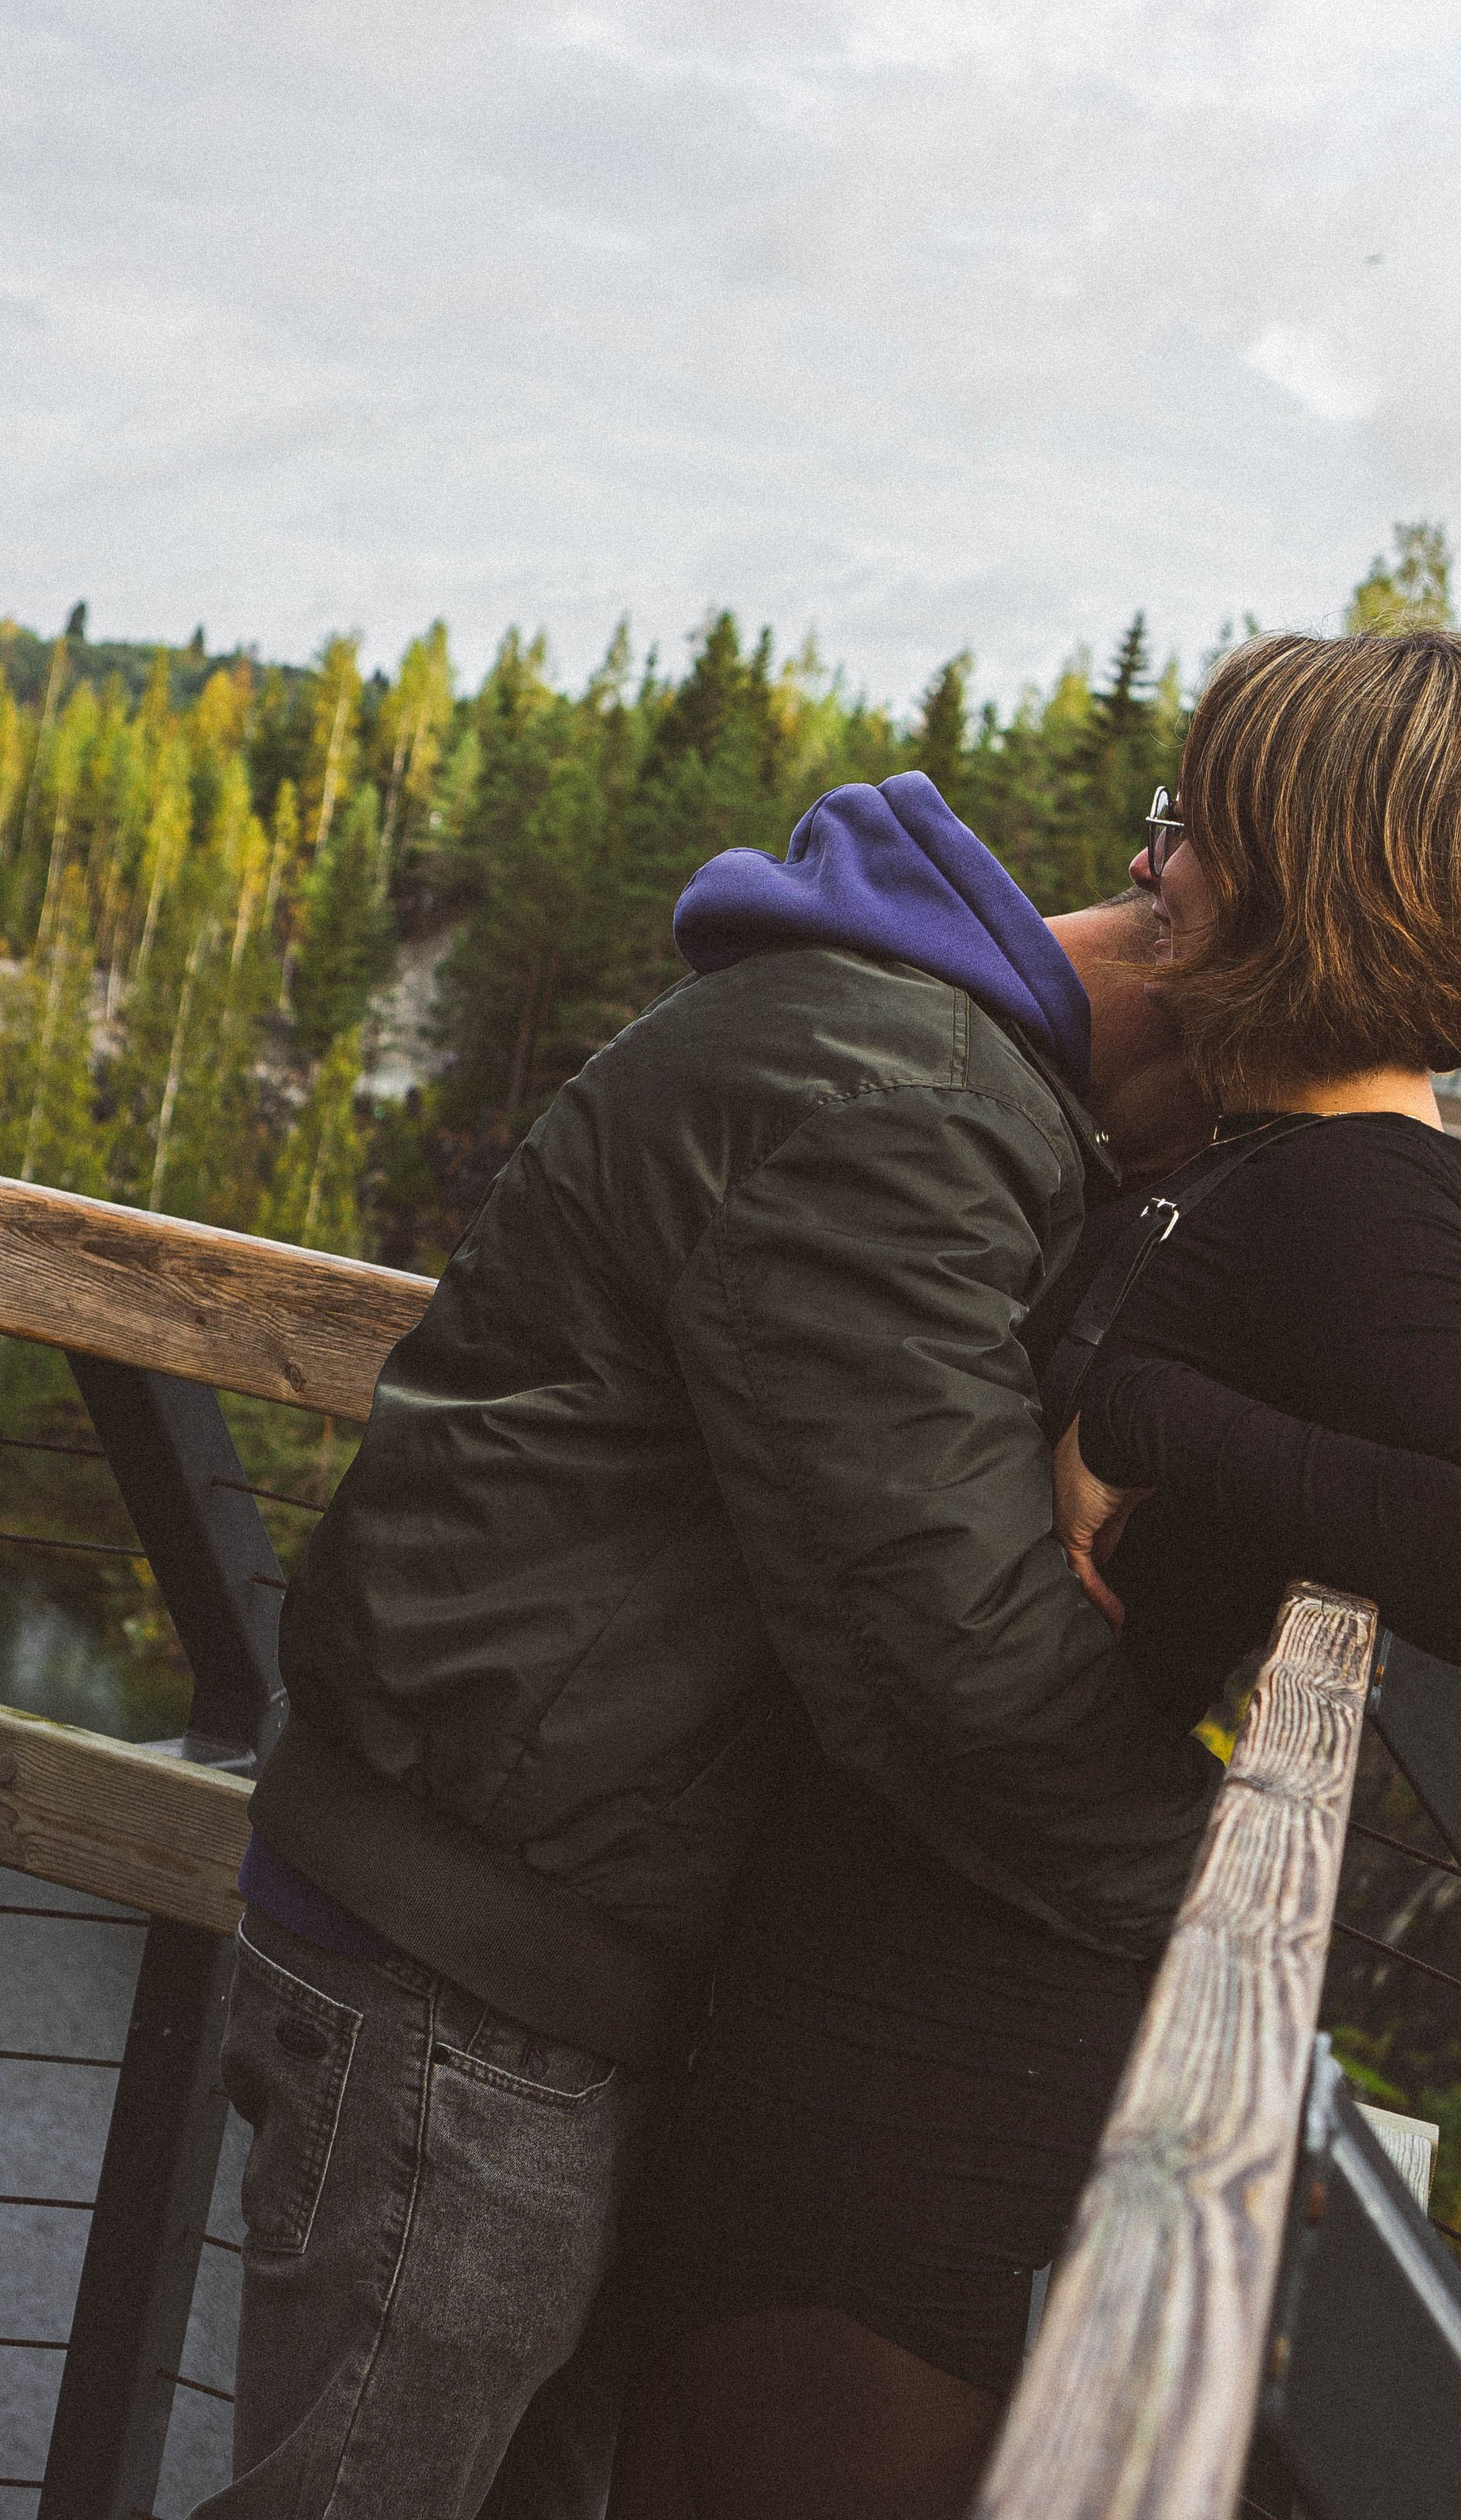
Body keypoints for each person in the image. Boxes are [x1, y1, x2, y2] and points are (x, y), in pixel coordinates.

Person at [198, 772, 1300, 2520]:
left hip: (526, 1918)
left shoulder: (922, 1070)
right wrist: (1210, 1911)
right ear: (1221, 1053)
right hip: (476, 1955)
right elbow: (937, 1640)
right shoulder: (898, 1112)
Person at [611, 627, 1461, 2520]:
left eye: (1192, 832)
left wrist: (1144, 1417)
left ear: (1308, 880)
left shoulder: (1361, 1198)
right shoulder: (1254, 1156)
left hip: (938, 2053)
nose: (1151, 869)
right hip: (859, 1970)